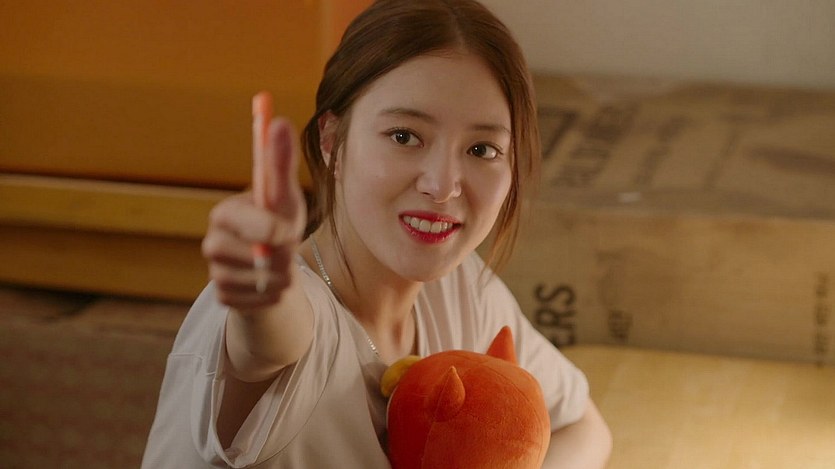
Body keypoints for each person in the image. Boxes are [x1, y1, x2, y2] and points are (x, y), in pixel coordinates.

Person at [142, 0, 612, 467]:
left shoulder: (463, 289)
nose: (443, 185)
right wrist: (262, 298)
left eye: (482, 149)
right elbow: (268, 345)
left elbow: (582, 426)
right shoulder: (288, 307)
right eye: (405, 136)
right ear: (332, 140)